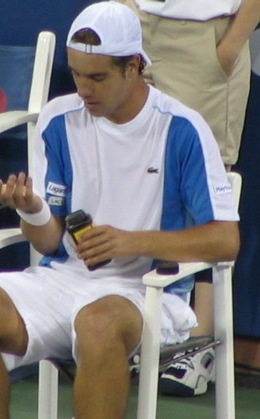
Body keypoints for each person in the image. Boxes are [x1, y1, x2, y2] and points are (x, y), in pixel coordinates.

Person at [0, 2, 239, 418]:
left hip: (149, 293)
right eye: (77, 74)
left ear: (133, 66)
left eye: (97, 77)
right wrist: (31, 211)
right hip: (62, 283)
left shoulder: (182, 128)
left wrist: (128, 241)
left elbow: (226, 240)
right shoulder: (58, 119)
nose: (83, 89)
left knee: (97, 324)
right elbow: (49, 241)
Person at [120, 0, 260, 396]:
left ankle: (198, 344)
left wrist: (230, 45)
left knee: (208, 186)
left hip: (208, 37)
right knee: (137, 174)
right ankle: (141, 329)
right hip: (141, 30)